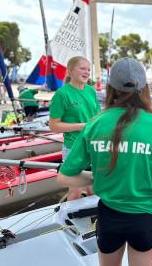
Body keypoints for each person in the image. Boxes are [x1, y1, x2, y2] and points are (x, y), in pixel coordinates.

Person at [57, 58, 152, 266]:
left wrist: (96, 179)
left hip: (109, 216)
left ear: (111, 88)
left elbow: (64, 177)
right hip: (144, 218)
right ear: (144, 88)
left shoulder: (94, 124)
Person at [49, 56, 100, 200]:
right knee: (76, 192)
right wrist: (81, 126)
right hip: (73, 148)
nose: (87, 72)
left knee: (94, 191)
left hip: (92, 147)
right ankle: (70, 222)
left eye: (89, 69)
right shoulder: (62, 94)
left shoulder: (91, 91)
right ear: (70, 71)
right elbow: (53, 126)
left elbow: (97, 116)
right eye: (82, 68)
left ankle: (94, 222)